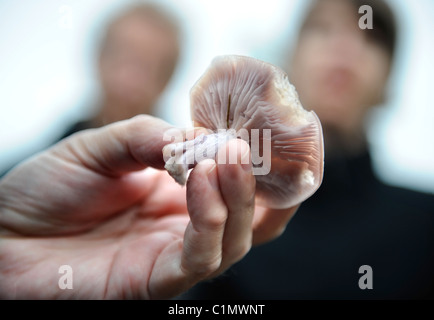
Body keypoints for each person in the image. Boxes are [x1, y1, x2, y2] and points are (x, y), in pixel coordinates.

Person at [182, 0, 434, 299]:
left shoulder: (425, 229)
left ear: (388, 80)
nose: (345, 50)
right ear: (291, 60)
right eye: (323, 29)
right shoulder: (223, 223)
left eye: (371, 37)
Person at [0, 115, 298, 299]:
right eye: (125, 53)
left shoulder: (170, 189)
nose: (133, 75)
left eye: (155, 64)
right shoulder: (15, 173)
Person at [60, 3, 181, 138]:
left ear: (165, 81)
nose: (127, 79)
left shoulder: (178, 154)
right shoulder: (57, 150)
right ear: (99, 59)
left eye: (144, 67)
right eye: (121, 60)